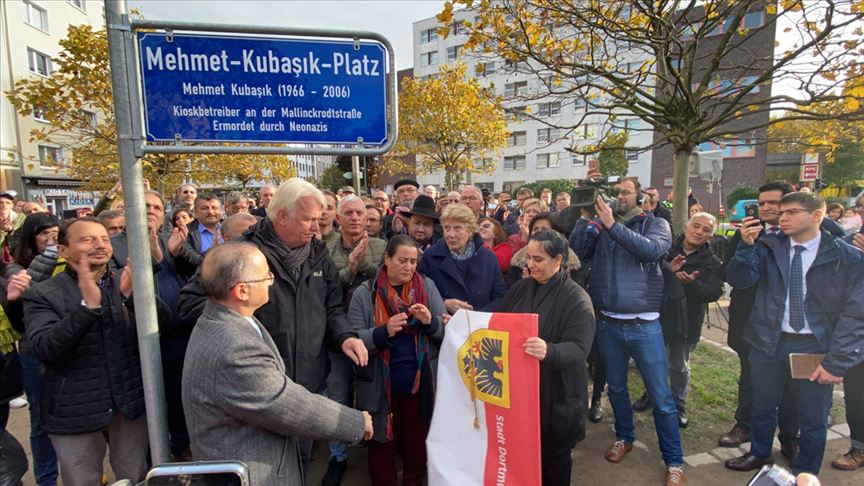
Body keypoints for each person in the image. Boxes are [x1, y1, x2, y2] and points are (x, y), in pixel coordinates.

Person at [182, 242, 372, 486]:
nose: (272, 278)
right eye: (265, 275)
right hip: (252, 473)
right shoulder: (234, 347)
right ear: (242, 291)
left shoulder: (226, 319)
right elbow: (286, 405)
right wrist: (354, 422)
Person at [724, 191, 864, 475]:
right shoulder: (767, 246)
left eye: (791, 212)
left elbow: (855, 312)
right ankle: (760, 453)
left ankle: (806, 472)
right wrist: (745, 247)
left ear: (816, 216)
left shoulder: (845, 256)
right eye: (781, 211)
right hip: (768, 341)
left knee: (811, 416)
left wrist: (836, 361)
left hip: (812, 346)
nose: (782, 217)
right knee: (762, 405)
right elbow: (740, 280)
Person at [239, 178, 369, 476]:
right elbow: (196, 303)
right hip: (263, 387)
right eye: (309, 219)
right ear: (282, 216)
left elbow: (332, 307)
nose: (316, 227)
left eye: (318, 219)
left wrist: (345, 336)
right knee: (268, 470)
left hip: (308, 384)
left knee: (301, 462)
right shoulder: (244, 254)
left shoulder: (319, 253)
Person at [23, 217, 163, 486]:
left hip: (127, 404)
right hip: (75, 411)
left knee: (134, 477)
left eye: (104, 239)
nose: (99, 245)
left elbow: (163, 324)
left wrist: (130, 296)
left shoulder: (126, 279)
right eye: (87, 239)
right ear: (62, 250)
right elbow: (45, 348)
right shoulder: (43, 293)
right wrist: (87, 308)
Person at [571, 177, 685, 486]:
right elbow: (576, 254)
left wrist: (612, 225)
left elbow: (651, 252)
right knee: (617, 388)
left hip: (644, 325)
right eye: (615, 192)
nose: (618, 197)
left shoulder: (655, 224)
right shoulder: (600, 225)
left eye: (624, 192)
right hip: (608, 323)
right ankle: (624, 437)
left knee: (661, 397)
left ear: (639, 197)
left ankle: (674, 460)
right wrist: (585, 218)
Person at [500, 230, 595, 485]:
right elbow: (499, 321)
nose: (530, 265)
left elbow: (579, 348)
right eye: (528, 258)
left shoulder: (576, 298)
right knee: (521, 458)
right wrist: (464, 320)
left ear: (558, 260)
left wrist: (549, 351)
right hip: (521, 394)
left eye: (538, 259)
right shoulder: (520, 288)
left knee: (554, 463)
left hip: (557, 395)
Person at [349, 235, 445, 486]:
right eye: (402, 260)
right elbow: (353, 338)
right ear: (387, 259)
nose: (409, 267)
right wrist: (383, 332)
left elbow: (446, 332)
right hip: (380, 385)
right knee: (381, 445)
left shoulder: (427, 286)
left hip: (419, 383)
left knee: (416, 445)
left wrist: (429, 322)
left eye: (413, 261)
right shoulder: (365, 292)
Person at [719, 182, 799, 453]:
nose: (765, 208)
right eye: (762, 203)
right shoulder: (745, 233)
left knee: (792, 383)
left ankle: (790, 437)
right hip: (750, 319)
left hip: (792, 325)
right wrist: (745, 244)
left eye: (773, 203)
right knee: (750, 375)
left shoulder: (805, 236)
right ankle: (745, 424)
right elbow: (730, 274)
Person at [633, 213, 724, 428]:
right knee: (653, 361)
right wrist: (668, 271)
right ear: (686, 226)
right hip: (658, 314)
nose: (699, 232)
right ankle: (652, 394)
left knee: (679, 365)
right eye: (696, 226)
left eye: (706, 230)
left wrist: (690, 284)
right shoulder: (664, 250)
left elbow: (712, 293)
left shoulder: (712, 262)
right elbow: (647, 278)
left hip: (686, 321)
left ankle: (678, 403)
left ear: (710, 235)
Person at [323, 194, 386, 484]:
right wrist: (350, 267)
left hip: (372, 335)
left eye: (360, 212)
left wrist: (364, 266)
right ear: (338, 217)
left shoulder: (381, 246)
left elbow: (385, 280)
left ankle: (376, 446)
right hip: (336, 334)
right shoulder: (324, 248)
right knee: (336, 393)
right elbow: (325, 286)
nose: (355, 218)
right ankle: (338, 457)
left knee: (374, 392)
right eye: (348, 212)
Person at [3, 213, 60, 485]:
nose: (52, 239)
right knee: (40, 421)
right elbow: (29, 290)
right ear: (31, 237)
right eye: (44, 234)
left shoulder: (64, 259)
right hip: (33, 352)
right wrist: (50, 255)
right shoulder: (16, 269)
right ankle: (46, 478)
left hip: (65, 346)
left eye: (56, 233)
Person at [418, 204, 505, 315]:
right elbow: (420, 293)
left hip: (479, 326)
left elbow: (500, 297)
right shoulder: (431, 256)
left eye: (457, 228)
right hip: (445, 324)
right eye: (447, 228)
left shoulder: (488, 258)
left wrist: (476, 317)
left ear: (469, 231)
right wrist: (444, 303)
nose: (451, 234)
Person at [505, 213, 581, 288]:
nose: (539, 233)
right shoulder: (517, 262)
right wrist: (524, 287)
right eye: (535, 229)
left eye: (545, 230)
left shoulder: (572, 265)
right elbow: (510, 294)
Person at [492, 197, 547, 276]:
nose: (531, 214)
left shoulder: (550, 235)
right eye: (528, 212)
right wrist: (524, 240)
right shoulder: (512, 238)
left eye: (535, 211)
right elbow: (513, 263)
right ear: (523, 216)